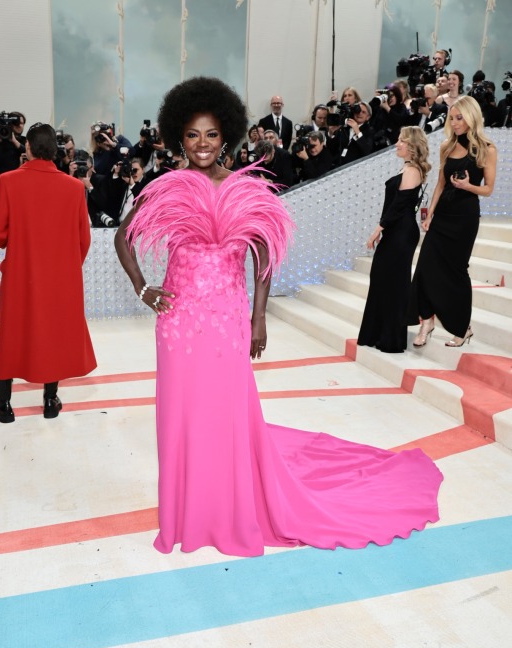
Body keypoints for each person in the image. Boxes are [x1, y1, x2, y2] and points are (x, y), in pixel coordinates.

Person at [114, 76, 442, 558]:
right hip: (178, 321)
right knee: (182, 415)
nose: (202, 144)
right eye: (192, 135)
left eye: (211, 134)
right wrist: (143, 288)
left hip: (227, 319)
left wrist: (258, 317)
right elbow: (123, 236)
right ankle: (187, 512)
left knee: (226, 412)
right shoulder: (165, 187)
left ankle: (226, 508)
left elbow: (263, 253)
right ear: (178, 138)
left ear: (226, 136)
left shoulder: (242, 188)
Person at [0, 124, 97, 422]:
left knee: (12, 333)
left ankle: (3, 403)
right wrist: (65, 267)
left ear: (28, 147)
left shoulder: (8, 182)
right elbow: (83, 240)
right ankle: (50, 400)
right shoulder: (74, 188)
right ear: (55, 151)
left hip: (20, 273)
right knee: (53, 331)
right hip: (60, 276)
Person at [407, 96, 497, 347]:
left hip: (465, 218)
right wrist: (429, 215)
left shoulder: (487, 149)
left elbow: (488, 189)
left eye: (460, 118)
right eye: (452, 118)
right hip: (442, 216)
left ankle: (462, 327)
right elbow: (440, 184)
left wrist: (468, 186)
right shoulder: (446, 146)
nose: (455, 123)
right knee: (424, 268)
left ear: (471, 117)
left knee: (456, 272)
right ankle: (426, 322)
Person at [358, 126, 430, 353]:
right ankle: (379, 333)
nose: (397, 144)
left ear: (412, 146)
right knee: (383, 279)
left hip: (401, 232)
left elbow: (399, 205)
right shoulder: (407, 168)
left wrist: (377, 230)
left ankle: (391, 339)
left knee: (394, 283)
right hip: (395, 230)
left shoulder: (413, 170)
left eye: (402, 141)